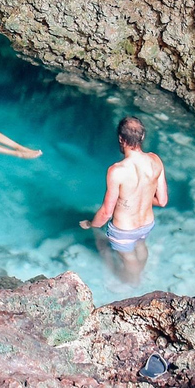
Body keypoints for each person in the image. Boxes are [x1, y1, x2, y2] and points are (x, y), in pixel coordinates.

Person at [79, 116, 168, 285]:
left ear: (121, 138)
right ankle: (138, 276)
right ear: (142, 137)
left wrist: (91, 224)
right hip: (147, 224)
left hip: (124, 230)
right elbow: (162, 201)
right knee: (141, 246)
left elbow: (106, 212)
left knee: (128, 258)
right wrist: (141, 198)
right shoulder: (155, 160)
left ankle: (132, 283)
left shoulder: (117, 171)